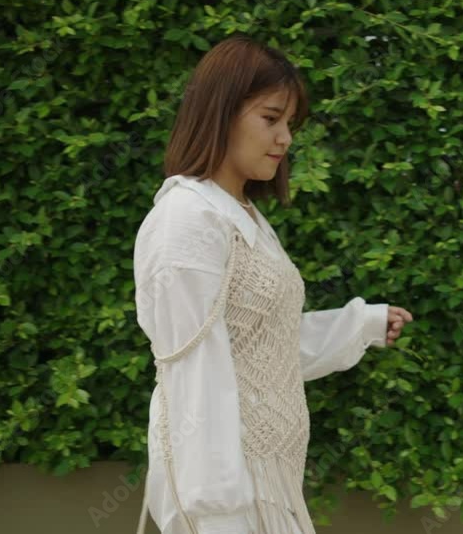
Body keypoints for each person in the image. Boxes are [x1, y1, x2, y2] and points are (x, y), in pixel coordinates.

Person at [132, 34, 414, 534]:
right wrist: (218, 507)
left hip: (269, 479)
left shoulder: (243, 216)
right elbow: (195, 368)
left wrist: (362, 324)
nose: (285, 138)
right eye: (270, 118)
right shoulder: (187, 218)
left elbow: (265, 348)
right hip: (223, 492)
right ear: (221, 112)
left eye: (290, 124)